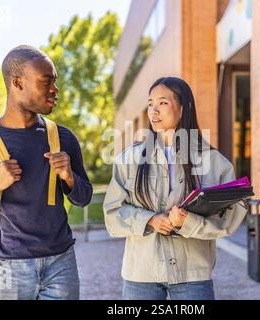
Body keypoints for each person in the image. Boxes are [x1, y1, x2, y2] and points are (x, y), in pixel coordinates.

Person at [0, 45, 92, 300]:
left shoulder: (63, 138)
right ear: (17, 83)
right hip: (10, 267)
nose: (55, 89)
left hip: (61, 263)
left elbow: (83, 198)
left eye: (55, 81)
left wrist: (70, 177)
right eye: (46, 81)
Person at [103, 76, 247, 300]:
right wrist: (149, 220)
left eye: (162, 102)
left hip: (192, 276)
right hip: (141, 276)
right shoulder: (129, 159)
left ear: (184, 107)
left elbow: (230, 218)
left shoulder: (214, 162)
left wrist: (188, 223)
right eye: (150, 104)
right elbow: (112, 214)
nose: (153, 111)